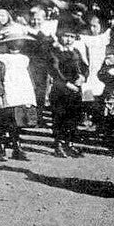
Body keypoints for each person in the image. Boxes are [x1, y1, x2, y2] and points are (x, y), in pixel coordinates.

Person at [0, 25, 38, 162]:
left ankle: (17, 148)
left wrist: (30, 92)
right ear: (7, 43)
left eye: (19, 41)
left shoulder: (24, 59)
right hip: (8, 95)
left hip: (21, 94)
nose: (17, 44)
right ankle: (1, 149)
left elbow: (28, 77)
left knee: (17, 123)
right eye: (14, 41)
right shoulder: (0, 59)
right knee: (4, 122)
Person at [48, 25, 85, 158]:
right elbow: (54, 70)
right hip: (60, 89)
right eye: (66, 36)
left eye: (72, 37)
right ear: (60, 36)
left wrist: (82, 77)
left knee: (73, 118)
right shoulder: (54, 52)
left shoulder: (75, 51)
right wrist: (67, 84)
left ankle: (69, 144)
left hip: (75, 89)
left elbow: (83, 66)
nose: (69, 40)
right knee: (59, 118)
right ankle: (58, 145)